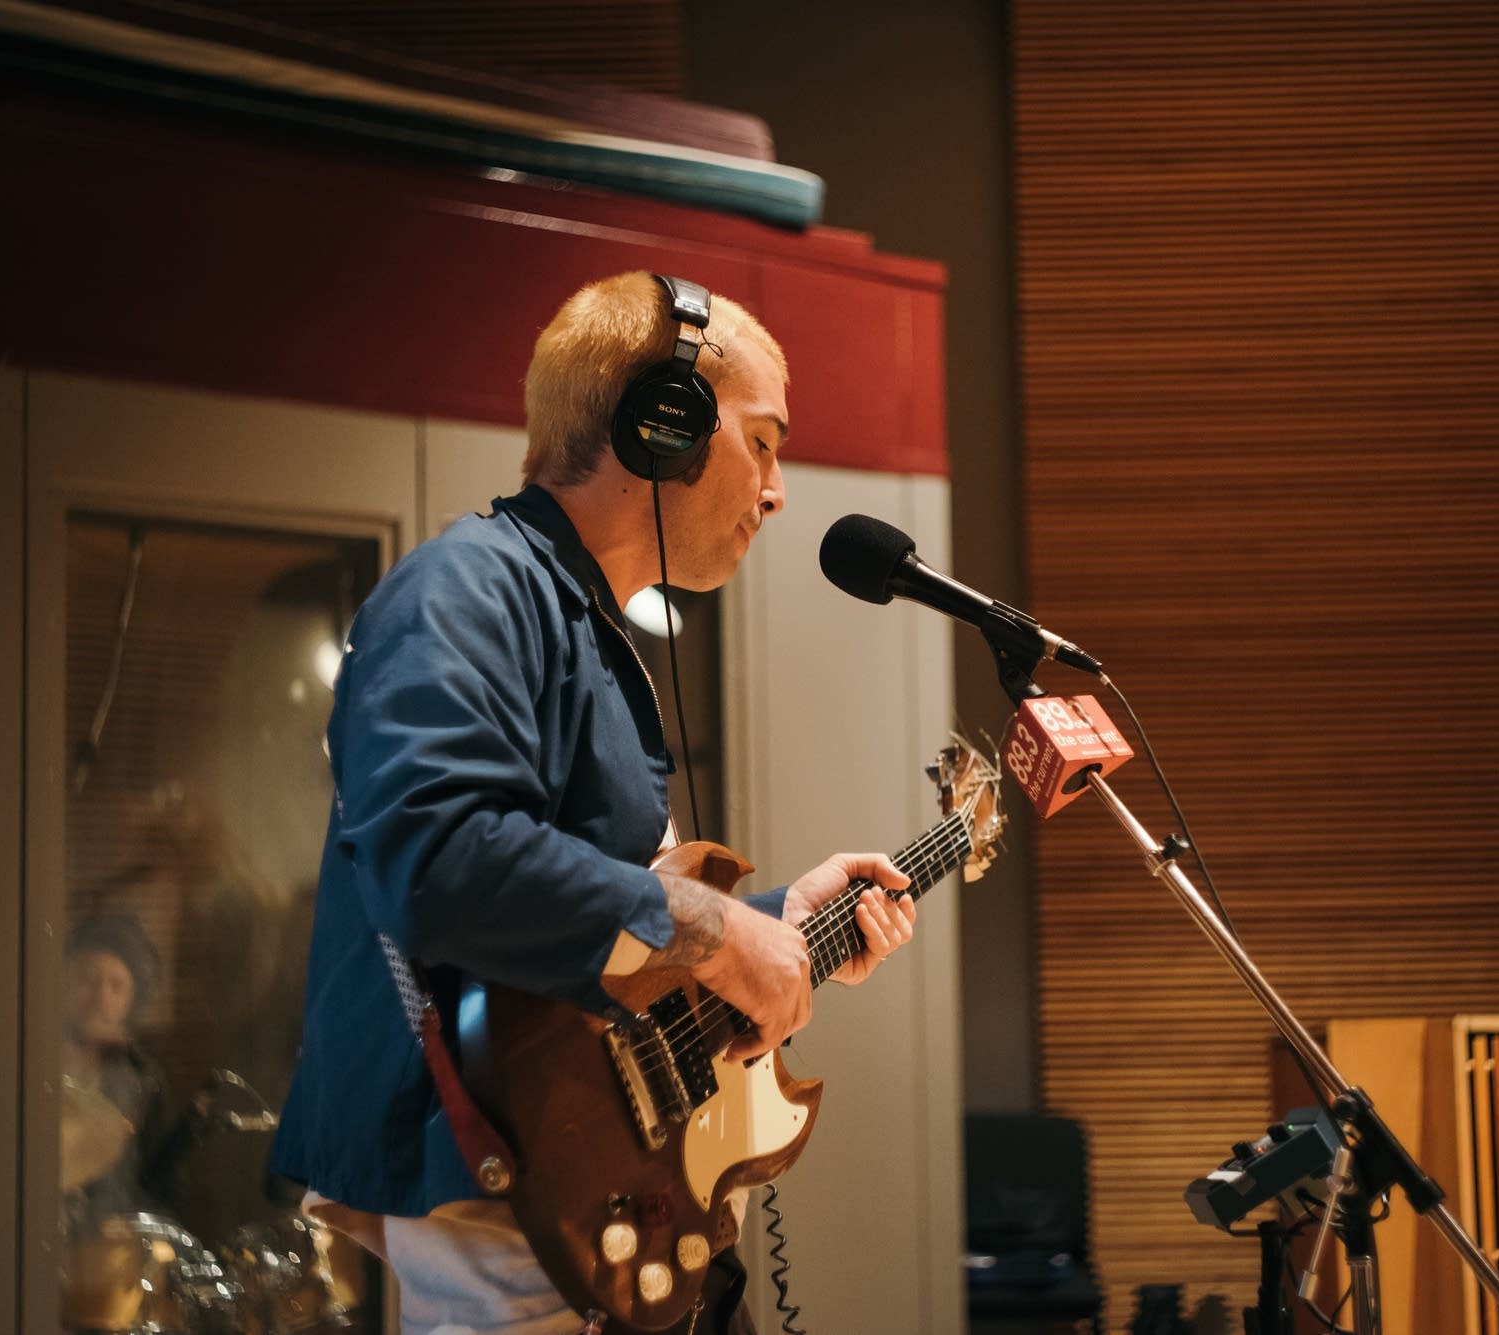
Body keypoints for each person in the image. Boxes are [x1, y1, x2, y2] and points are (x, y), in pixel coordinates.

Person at [269, 271, 919, 1335]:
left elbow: (604, 937)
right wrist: (715, 933)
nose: (778, 489)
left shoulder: (580, 623)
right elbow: (438, 854)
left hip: (580, 1190)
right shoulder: (467, 588)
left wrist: (778, 928)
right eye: (763, 441)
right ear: (661, 426)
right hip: (511, 1188)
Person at [62, 913, 211, 1221]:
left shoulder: (144, 1082)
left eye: (116, 987)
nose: (100, 998)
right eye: (87, 979)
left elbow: (160, 1190)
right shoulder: (32, 1066)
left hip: (108, 1250)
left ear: (133, 1001)